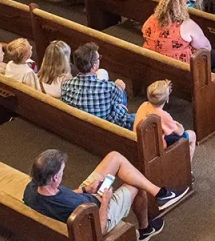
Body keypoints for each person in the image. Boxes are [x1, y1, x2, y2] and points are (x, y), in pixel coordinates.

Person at [24, 148, 186, 239]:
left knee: (114, 157)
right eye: (62, 172)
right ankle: (145, 230)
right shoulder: (73, 207)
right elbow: (99, 229)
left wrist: (86, 189)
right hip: (99, 214)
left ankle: (159, 193)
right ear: (55, 177)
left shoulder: (32, 188)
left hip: (87, 198)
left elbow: (64, 196)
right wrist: (106, 199)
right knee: (136, 184)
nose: (64, 174)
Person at [61, 43, 134, 129]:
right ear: (94, 66)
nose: (99, 59)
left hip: (79, 127)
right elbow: (118, 107)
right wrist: (119, 88)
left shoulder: (66, 85)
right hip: (105, 127)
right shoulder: (109, 87)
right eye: (99, 58)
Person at [134, 80, 197, 161]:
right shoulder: (163, 115)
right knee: (192, 135)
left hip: (141, 143)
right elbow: (180, 132)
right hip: (158, 148)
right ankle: (187, 168)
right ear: (167, 99)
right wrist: (177, 124)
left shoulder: (143, 105)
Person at [142, 0, 212, 64]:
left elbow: (144, 33)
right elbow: (206, 47)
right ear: (183, 7)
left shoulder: (151, 19)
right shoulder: (187, 24)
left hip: (150, 62)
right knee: (212, 58)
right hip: (178, 67)